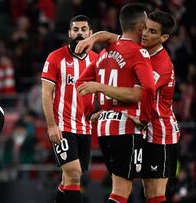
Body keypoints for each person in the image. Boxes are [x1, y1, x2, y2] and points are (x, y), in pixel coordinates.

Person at [75, 10, 179, 203]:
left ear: (164, 38)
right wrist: (94, 37)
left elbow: (137, 95)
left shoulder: (161, 64)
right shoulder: (140, 48)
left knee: (154, 193)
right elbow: (117, 37)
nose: (146, 34)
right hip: (136, 126)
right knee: (129, 188)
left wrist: (100, 89)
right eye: (145, 28)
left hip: (158, 129)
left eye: (153, 32)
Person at [41, 15, 98, 202]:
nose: (79, 33)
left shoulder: (97, 61)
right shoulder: (55, 57)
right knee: (74, 173)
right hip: (63, 126)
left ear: (91, 33)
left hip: (85, 126)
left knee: (70, 178)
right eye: (76, 30)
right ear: (69, 33)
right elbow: (46, 93)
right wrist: (51, 125)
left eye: (83, 30)